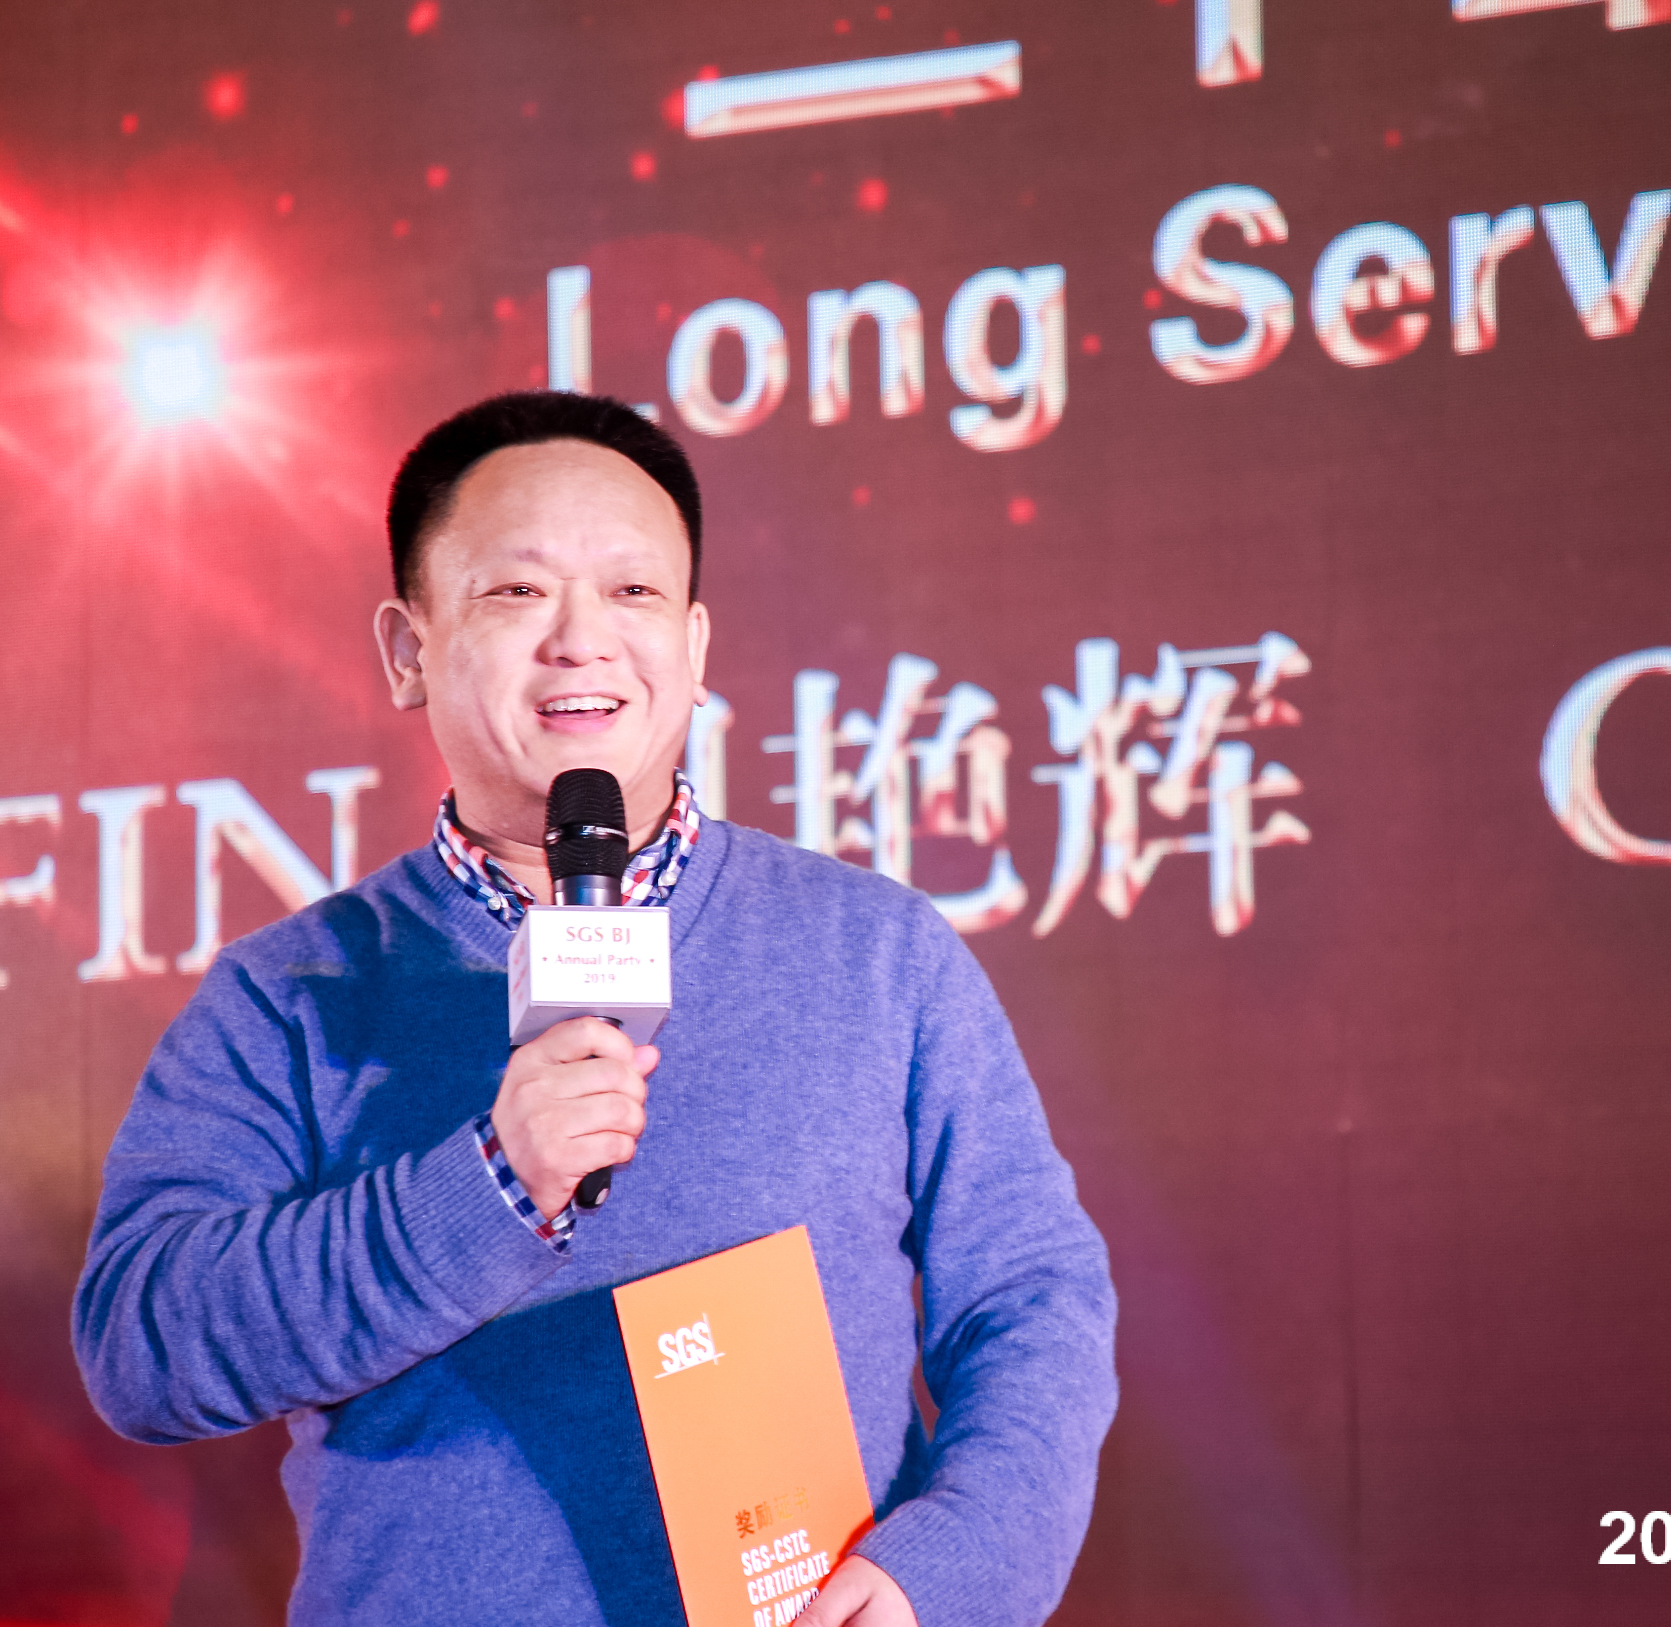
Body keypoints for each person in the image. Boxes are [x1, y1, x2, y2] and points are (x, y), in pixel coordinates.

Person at [72, 392, 1118, 1627]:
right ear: (408, 650)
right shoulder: (287, 994)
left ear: (695, 644)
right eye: (517, 592)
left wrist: (943, 1573)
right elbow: (144, 1345)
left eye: (632, 591)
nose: (582, 640)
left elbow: (1032, 1302)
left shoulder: (876, 950)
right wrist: (490, 1185)